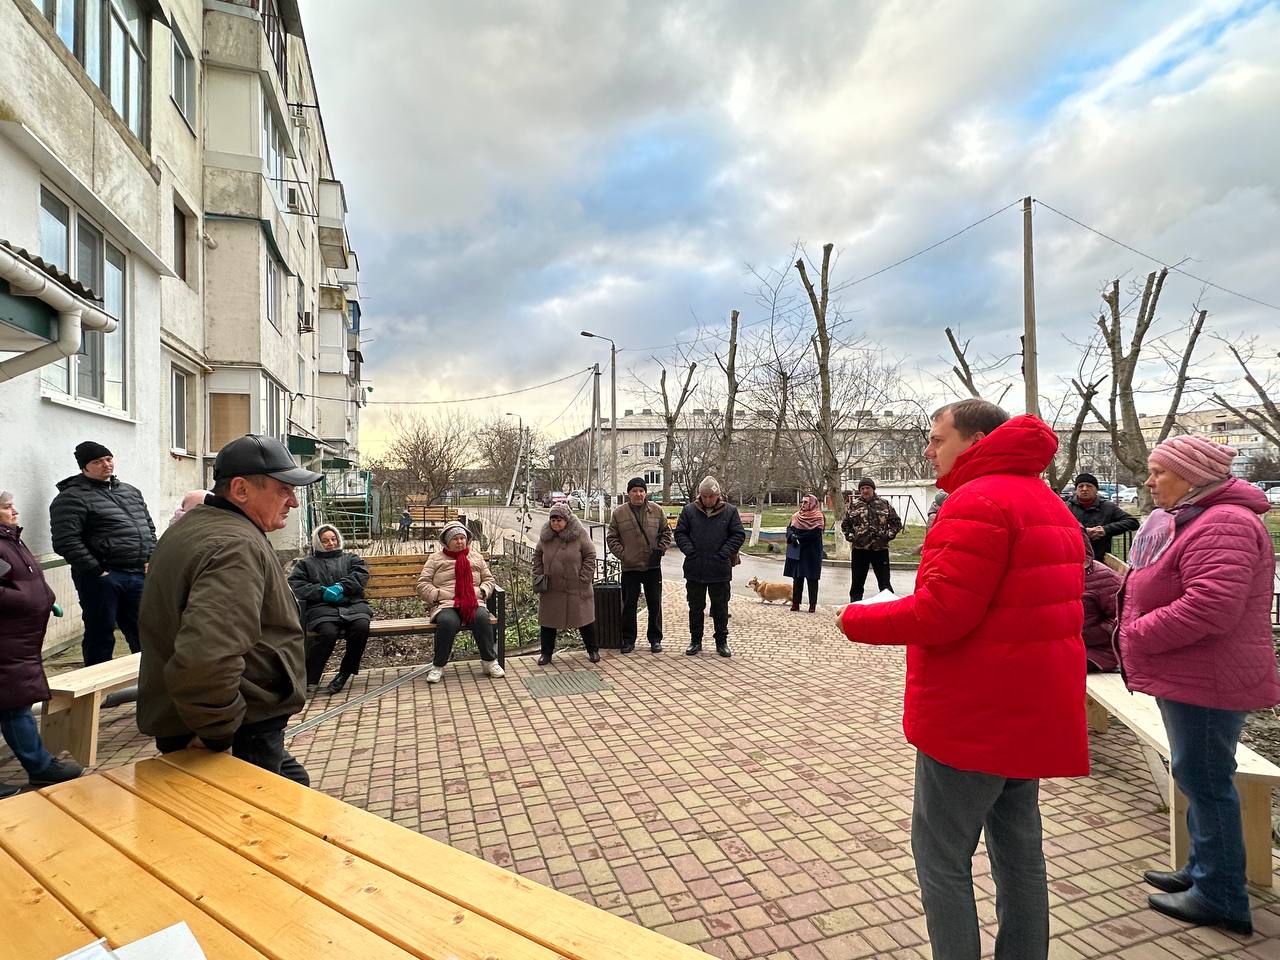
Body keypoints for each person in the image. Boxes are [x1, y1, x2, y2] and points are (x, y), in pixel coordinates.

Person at [837, 399, 1088, 960]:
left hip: (976, 715)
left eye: (937, 438)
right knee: (1020, 855)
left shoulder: (976, 501)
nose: (929, 450)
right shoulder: (1047, 502)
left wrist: (855, 618)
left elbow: (943, 613)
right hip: (1031, 712)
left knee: (941, 858)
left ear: (975, 442)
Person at [1118, 435, 1280, 936]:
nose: (1149, 481)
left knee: (1207, 780)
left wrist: (1136, 633)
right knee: (1197, 775)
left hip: (1207, 676)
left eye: (1158, 472)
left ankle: (1221, 895)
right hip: (1191, 672)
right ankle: (1203, 870)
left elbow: (1209, 606)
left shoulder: (1224, 522)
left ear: (1193, 475)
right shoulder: (1198, 518)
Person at [137, 435, 322, 786]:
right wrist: (216, 734)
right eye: (284, 490)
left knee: (295, 786)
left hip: (219, 718)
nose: (294, 503)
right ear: (240, 490)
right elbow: (207, 656)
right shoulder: (234, 546)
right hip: (231, 728)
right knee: (252, 831)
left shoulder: (196, 528)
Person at [0, 491, 83, 797]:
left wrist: (43, 598)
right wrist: (26, 600)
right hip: (8, 640)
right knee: (15, 706)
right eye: (7, 507)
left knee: (14, 705)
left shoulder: (10, 539)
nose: (15, 511)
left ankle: (40, 767)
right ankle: (41, 767)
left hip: (17, 640)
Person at [50, 441, 157, 665]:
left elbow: (148, 527)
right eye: (97, 462)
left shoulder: (130, 492)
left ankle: (148, 684)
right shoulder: (71, 498)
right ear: (84, 467)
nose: (106, 465)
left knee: (145, 632)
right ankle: (97, 691)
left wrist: (151, 557)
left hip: (137, 574)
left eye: (108, 459)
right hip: (103, 578)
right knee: (100, 633)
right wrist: (96, 570)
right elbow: (66, 541)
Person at [289, 524, 372, 695]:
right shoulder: (306, 564)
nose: (331, 543)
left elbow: (361, 575)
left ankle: (344, 673)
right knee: (327, 633)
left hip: (353, 605)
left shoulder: (351, 558)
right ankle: (310, 677)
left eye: (333, 539)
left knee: (361, 627)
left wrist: (341, 587)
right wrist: (322, 592)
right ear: (317, 543)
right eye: (325, 541)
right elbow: (297, 584)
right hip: (322, 608)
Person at [415, 522, 503, 684]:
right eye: (455, 539)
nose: (460, 542)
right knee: (448, 622)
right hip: (446, 603)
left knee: (482, 618)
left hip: (472, 601)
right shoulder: (435, 559)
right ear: (447, 542)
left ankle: (489, 661)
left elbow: (489, 580)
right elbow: (423, 583)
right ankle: (438, 665)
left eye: (462, 538)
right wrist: (436, 594)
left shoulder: (476, 557)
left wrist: (482, 591)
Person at [674, 476, 745, 657]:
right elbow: (680, 533)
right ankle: (695, 641)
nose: (707, 500)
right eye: (704, 496)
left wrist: (724, 553)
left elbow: (738, 535)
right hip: (695, 568)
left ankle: (721, 642)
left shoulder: (730, 512)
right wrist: (690, 551)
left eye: (710, 496)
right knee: (695, 607)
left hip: (719, 569)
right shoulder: (689, 510)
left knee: (720, 608)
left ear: (717, 496)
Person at [606, 476, 673, 653]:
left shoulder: (656, 510)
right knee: (629, 605)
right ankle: (628, 640)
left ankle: (655, 639)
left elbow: (666, 532)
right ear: (628, 493)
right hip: (630, 568)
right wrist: (624, 555)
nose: (638, 494)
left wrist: (660, 550)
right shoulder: (619, 513)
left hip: (652, 567)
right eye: (634, 491)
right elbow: (612, 538)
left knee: (654, 604)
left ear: (645, 493)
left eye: (641, 490)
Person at [533, 504, 599, 665]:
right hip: (552, 588)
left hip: (577, 586)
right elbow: (537, 556)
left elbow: (590, 555)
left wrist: (584, 578)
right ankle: (546, 653)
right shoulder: (545, 537)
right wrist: (538, 575)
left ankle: (593, 650)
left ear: (567, 520)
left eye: (559, 520)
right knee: (548, 622)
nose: (556, 523)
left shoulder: (580, 534)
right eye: (553, 520)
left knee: (585, 620)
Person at [840, 477, 902, 602]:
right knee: (857, 584)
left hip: (880, 549)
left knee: (885, 584)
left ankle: (888, 610)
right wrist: (852, 537)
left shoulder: (884, 504)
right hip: (860, 549)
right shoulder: (854, 505)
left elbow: (896, 523)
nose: (865, 491)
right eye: (862, 488)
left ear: (873, 489)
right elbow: (846, 524)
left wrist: (887, 536)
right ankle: (854, 610)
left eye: (867, 488)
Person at [1066, 472, 1138, 562]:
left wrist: (1105, 530)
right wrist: (1083, 533)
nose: (1084, 489)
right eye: (1081, 486)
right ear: (1076, 489)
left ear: (1096, 490)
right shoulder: (1066, 507)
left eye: (1089, 486)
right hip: (1073, 559)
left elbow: (1132, 522)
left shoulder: (1108, 507)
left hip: (1101, 559)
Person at [1082, 528, 1122, 673]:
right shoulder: (1046, 574)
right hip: (1063, 647)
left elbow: (1123, 617)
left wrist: (1087, 635)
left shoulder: (1104, 576)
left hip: (1098, 653)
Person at [784, 494, 825, 612]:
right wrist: (791, 536)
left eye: (806, 502)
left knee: (812, 579)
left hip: (811, 552)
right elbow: (789, 528)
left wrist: (798, 538)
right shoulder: (796, 516)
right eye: (802, 502)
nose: (803, 504)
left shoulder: (818, 516)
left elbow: (815, 533)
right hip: (797, 551)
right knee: (797, 578)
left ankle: (812, 605)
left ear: (812, 503)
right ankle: (795, 603)